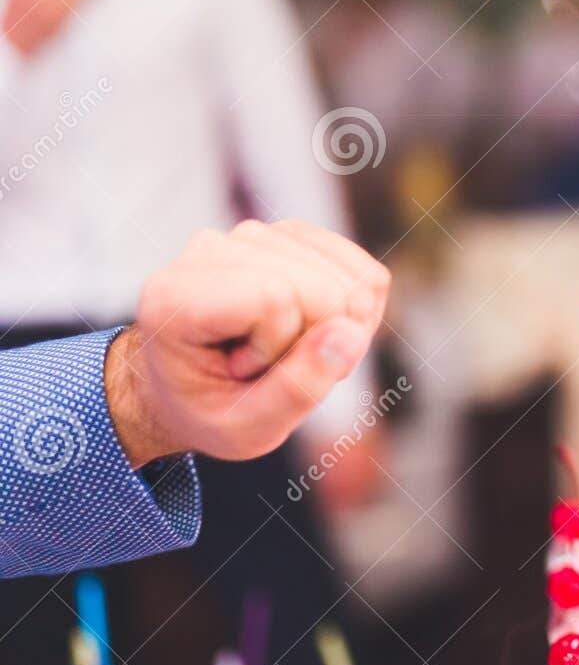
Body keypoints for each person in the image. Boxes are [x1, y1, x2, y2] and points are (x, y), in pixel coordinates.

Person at [0, 0, 375, 665]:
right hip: (15, 357)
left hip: (201, 329)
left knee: (294, 646)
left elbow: (290, 156)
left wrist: (345, 396)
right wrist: (15, 37)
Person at [1, 220, 389, 579]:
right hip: (25, 332)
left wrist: (340, 410)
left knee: (271, 597)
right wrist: (136, 394)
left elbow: (287, 171)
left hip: (226, 323)